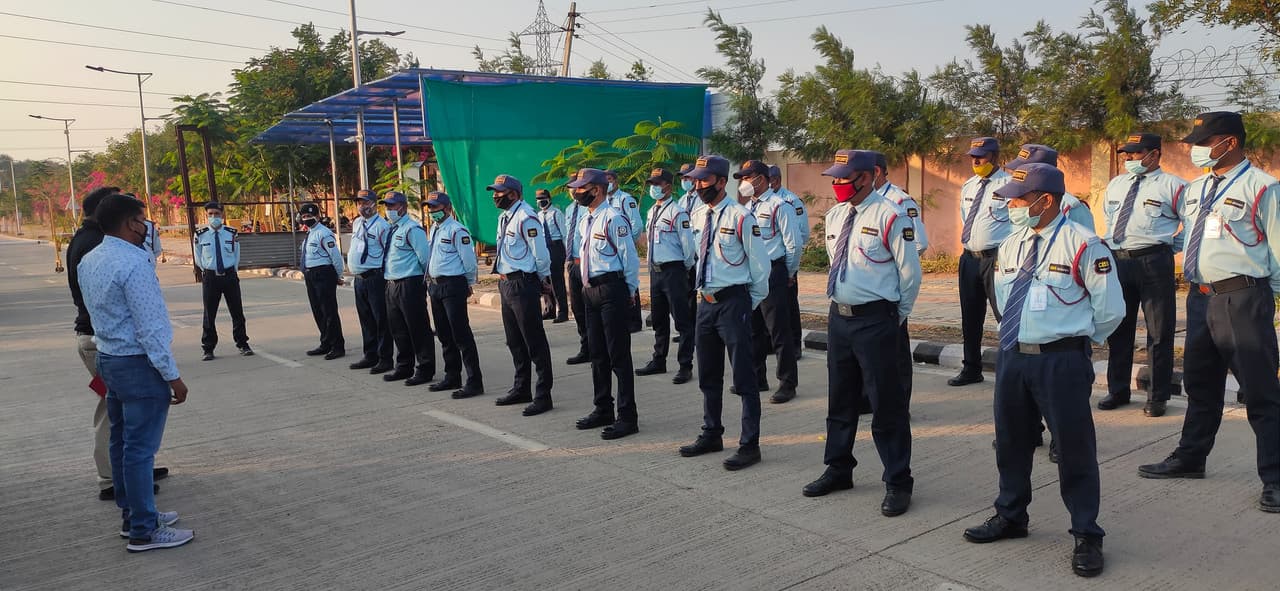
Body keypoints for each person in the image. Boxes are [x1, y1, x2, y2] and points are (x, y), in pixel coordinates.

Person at [962, 163, 1123, 578]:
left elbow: (1110, 311)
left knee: (1073, 448)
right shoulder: (1012, 242)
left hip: (1061, 360)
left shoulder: (1084, 244)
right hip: (1014, 356)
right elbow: (1002, 294)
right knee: (1011, 442)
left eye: (1017, 200)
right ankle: (1011, 515)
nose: (1011, 207)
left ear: (1044, 200)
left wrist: (1072, 341)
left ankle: (1086, 532)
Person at [1138, 111, 1280, 515]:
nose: (1197, 149)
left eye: (1205, 141)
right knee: (1201, 384)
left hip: (1242, 298)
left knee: (1260, 391)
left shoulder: (1264, 188)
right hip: (1200, 298)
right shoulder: (1197, 187)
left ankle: (1275, 478)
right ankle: (1191, 457)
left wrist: (1270, 303)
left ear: (1230, 142)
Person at [801, 149, 921, 518]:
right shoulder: (837, 215)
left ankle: (898, 480)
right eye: (834, 178)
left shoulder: (892, 216)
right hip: (840, 317)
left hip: (876, 320)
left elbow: (909, 275)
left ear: (866, 177)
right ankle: (839, 468)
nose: (837, 184)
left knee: (886, 404)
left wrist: (893, 317)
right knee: (841, 399)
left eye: (843, 177)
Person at [78, 194, 193, 552]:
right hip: (137, 363)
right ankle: (144, 530)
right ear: (130, 223)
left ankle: (134, 517)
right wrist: (172, 376)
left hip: (109, 358)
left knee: (122, 443)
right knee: (140, 451)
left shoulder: (90, 259)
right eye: (143, 220)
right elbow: (150, 328)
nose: (146, 227)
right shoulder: (134, 262)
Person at [67, 187, 167, 501]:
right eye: (136, 219)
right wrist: (170, 373)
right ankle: (113, 478)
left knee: (122, 415)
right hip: (108, 343)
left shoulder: (88, 242)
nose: (141, 226)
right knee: (115, 415)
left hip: (102, 342)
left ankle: (130, 473)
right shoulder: (96, 246)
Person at [677, 155, 770, 471]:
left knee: (744, 376)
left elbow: (760, 268)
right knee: (708, 373)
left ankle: (749, 444)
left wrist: (745, 304)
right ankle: (711, 432)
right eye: (696, 180)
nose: (698, 185)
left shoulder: (742, 217)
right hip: (705, 303)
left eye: (704, 180)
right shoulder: (699, 214)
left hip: (733, 303)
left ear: (720, 181)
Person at [1098, 133, 1185, 417]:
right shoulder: (1116, 184)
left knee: (1159, 332)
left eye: (1135, 154)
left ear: (1154, 154)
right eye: (1126, 154)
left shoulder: (1173, 186)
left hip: (1153, 262)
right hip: (1119, 262)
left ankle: (1157, 396)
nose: (1129, 159)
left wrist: (1171, 247)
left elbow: (1192, 222)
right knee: (1118, 330)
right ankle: (1118, 390)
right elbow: (1111, 221)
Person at [567, 168, 642, 439]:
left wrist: (630, 292)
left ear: (597, 189)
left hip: (612, 290)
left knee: (618, 356)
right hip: (591, 291)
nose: (576, 192)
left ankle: (627, 416)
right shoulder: (587, 219)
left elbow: (630, 259)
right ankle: (603, 408)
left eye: (581, 188)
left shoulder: (613, 218)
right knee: (597, 354)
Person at [488, 174, 554, 416]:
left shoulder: (527, 217)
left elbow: (541, 254)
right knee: (514, 340)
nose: (495, 196)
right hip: (506, 282)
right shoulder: (505, 217)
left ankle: (543, 394)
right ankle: (521, 387)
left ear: (514, 194)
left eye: (500, 192)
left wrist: (544, 281)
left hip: (523, 283)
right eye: (494, 191)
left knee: (533, 340)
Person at [736, 159, 800, 403]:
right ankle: (757, 377)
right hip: (750, 273)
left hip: (773, 271)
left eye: (746, 177)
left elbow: (793, 243)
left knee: (778, 330)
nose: (743, 182)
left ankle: (787, 382)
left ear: (760, 179)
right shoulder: (746, 208)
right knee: (753, 329)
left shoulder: (779, 206)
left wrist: (789, 273)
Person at [950, 137, 1012, 387]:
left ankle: (1010, 370)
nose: (976, 161)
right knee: (970, 317)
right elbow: (967, 218)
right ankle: (971, 368)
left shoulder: (1009, 184)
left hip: (995, 258)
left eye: (982, 156)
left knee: (1004, 315)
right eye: (973, 157)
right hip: (969, 259)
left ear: (995, 157)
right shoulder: (969, 186)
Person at [867, 152, 927, 404]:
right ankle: (869, 399)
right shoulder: (859, 204)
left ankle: (900, 401)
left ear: (876, 172)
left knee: (896, 350)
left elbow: (919, 243)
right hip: (864, 291)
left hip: (889, 290)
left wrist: (895, 268)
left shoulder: (900, 202)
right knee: (866, 351)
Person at [635, 167, 697, 384]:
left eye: (657, 184)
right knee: (659, 319)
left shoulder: (678, 213)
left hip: (674, 271)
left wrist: (686, 269)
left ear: (668, 186)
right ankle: (658, 360)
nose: (654, 188)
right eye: (652, 184)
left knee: (682, 320)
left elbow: (688, 246)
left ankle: (685, 365)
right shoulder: (652, 211)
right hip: (656, 271)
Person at [425, 192, 484, 398]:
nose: (432, 211)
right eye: (430, 208)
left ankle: (474, 380)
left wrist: (468, 284)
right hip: (435, 286)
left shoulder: (457, 230)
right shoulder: (434, 228)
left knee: (461, 334)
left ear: (447, 208)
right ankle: (452, 375)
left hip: (453, 285)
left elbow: (469, 261)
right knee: (444, 333)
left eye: (435, 207)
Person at [380, 191, 436, 386]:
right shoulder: (392, 229)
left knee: (417, 327)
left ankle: (425, 368)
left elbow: (424, 258)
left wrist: (420, 281)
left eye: (392, 206)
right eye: (386, 206)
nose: (388, 210)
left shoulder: (412, 229)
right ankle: (404, 366)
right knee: (398, 328)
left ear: (402, 207)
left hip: (409, 283)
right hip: (391, 284)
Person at [193, 201, 253, 361]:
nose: (214, 217)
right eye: (210, 214)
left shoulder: (231, 233)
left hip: (229, 276)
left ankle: (242, 343)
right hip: (211, 277)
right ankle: (208, 347)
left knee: (237, 312)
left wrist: (232, 271)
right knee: (209, 313)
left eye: (216, 214)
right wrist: (207, 269)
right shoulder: (200, 235)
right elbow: (198, 256)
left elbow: (236, 255)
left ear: (222, 215)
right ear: (207, 216)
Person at [346, 190, 394, 374]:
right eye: (359, 203)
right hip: (359, 279)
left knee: (380, 319)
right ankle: (370, 354)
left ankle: (385, 358)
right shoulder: (357, 223)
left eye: (366, 203)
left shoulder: (383, 226)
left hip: (375, 277)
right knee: (365, 319)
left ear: (374, 204)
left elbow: (387, 253)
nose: (362, 207)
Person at [1003, 144, 1096, 231]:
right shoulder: (1015, 202)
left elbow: (1083, 240)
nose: (1016, 175)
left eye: (1024, 170)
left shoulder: (1072, 207)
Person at [769, 165, 809, 358]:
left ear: (775, 181)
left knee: (790, 305)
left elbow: (801, 234)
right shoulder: (758, 202)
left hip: (786, 261)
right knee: (771, 308)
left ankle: (795, 344)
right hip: (766, 265)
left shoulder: (791, 201)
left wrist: (791, 267)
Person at [299, 202, 345, 359]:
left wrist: (338, 276)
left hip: (324, 274)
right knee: (317, 310)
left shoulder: (324, 233)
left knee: (329, 311)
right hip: (311, 275)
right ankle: (326, 342)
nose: (307, 219)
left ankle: (337, 346)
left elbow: (336, 257)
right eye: (304, 216)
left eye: (310, 216)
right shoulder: (309, 233)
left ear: (318, 216)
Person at [605, 169, 643, 333]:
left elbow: (637, 225)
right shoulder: (604, 201)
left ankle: (635, 321)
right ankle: (624, 318)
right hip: (611, 251)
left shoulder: (625, 199)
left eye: (610, 179)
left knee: (631, 281)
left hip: (623, 246)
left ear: (616, 181)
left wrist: (628, 242)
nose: (607, 183)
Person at [564, 186, 592, 365]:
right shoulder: (568, 209)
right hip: (572, 263)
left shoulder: (589, 209)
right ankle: (586, 348)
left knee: (591, 310)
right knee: (577, 309)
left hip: (586, 265)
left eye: (577, 187)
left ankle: (597, 349)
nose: (574, 191)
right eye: (571, 188)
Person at [536, 189, 570, 323]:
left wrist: (567, 253)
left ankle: (562, 312)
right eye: (538, 199)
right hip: (544, 247)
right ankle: (549, 309)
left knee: (557, 280)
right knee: (545, 279)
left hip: (555, 247)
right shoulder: (538, 215)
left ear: (549, 199)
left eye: (543, 198)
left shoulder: (556, 213)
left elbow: (564, 234)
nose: (540, 201)